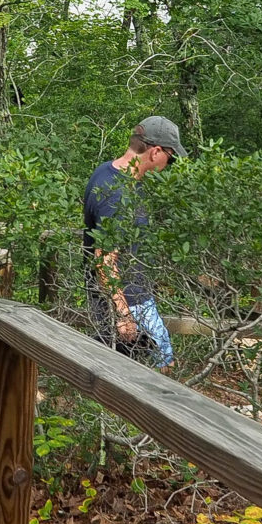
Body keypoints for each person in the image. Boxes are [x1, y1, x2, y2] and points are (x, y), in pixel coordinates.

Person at [84, 115, 183, 370]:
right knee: (159, 367)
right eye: (170, 158)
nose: (169, 163)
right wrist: (123, 313)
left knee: (137, 370)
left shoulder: (107, 172)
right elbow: (104, 260)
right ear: (156, 151)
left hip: (132, 296)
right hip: (129, 301)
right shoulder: (116, 193)